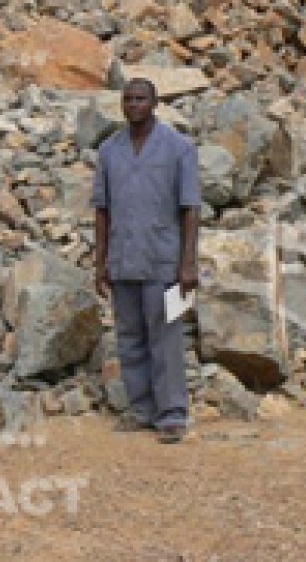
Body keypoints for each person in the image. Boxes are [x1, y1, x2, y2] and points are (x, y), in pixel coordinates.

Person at [91, 78, 201, 444]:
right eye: (128, 99)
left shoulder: (178, 148)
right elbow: (102, 210)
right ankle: (142, 408)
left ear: (155, 103)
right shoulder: (109, 150)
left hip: (163, 259)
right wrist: (100, 261)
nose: (133, 105)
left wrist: (188, 263)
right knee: (130, 336)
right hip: (123, 258)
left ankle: (171, 413)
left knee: (165, 338)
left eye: (141, 99)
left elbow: (190, 208)